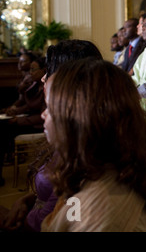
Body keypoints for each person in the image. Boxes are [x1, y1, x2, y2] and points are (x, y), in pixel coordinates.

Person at [40, 59, 146, 232]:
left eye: (50, 106)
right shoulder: (93, 171)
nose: (43, 114)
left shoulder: (100, 215)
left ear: (79, 118)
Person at [0, 40, 103, 231]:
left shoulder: (86, 148)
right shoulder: (72, 129)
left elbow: (58, 222)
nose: (42, 78)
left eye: (49, 71)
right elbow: (52, 193)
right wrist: (27, 199)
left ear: (69, 78)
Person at [0, 57, 46, 187]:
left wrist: (20, 120)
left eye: (33, 69)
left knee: (5, 130)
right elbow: (28, 106)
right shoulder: (34, 84)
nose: (30, 72)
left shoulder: (47, 87)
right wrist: (14, 110)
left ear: (44, 70)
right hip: (29, 120)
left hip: (39, 125)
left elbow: (43, 115)